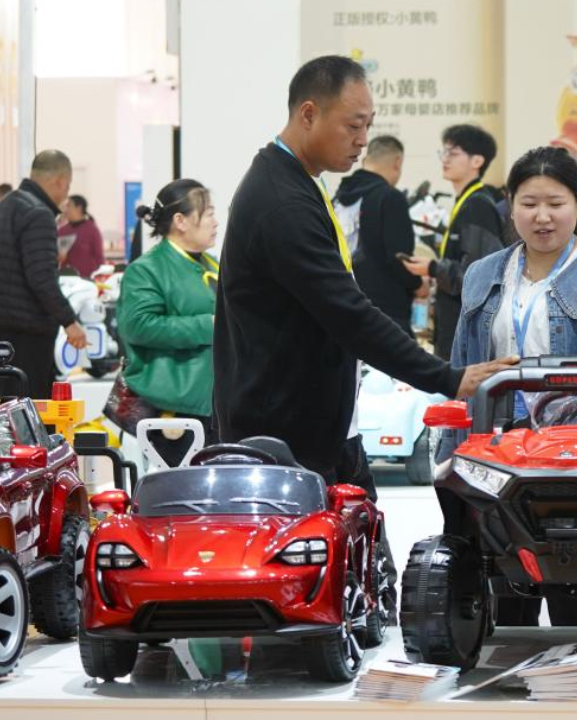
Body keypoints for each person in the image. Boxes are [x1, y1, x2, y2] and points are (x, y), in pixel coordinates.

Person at [213, 55, 514, 491]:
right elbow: (346, 311)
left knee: (363, 546)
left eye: (368, 126)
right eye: (353, 126)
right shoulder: (282, 202)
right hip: (282, 437)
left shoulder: (301, 181)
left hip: (319, 425)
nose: (362, 141)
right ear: (309, 114)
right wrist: (447, 377)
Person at [444, 145, 577, 627]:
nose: (543, 217)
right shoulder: (483, 275)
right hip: (493, 453)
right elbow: (462, 368)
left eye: (556, 204)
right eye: (529, 203)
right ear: (510, 203)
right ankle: (506, 694)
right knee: (500, 590)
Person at [115, 180, 219, 467]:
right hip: (174, 407)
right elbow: (139, 326)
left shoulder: (212, 264)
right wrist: (208, 325)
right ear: (180, 221)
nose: (215, 221)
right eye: (208, 213)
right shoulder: (146, 270)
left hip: (214, 402)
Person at [0, 150, 87, 399]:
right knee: (32, 406)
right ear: (58, 180)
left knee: (7, 405)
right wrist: (69, 321)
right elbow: (41, 276)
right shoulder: (38, 214)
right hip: (30, 330)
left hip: (0, 323)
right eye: (67, 185)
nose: (66, 193)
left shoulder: (2, 206)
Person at [402, 123, 504, 360]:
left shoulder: (477, 206)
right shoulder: (466, 203)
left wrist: (433, 268)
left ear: (477, 161)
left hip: (467, 334)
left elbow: (479, 276)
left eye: (453, 153)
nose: (445, 159)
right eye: (444, 152)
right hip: (455, 328)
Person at [334, 135, 423, 337]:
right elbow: (399, 258)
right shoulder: (390, 198)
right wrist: (418, 285)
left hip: (343, 305)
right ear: (397, 162)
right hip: (386, 313)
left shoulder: (337, 199)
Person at [57, 194, 106, 278]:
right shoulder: (62, 231)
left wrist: (100, 276)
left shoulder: (91, 230)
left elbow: (99, 257)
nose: (66, 210)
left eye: (69, 206)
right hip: (66, 278)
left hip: (87, 278)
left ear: (79, 208)